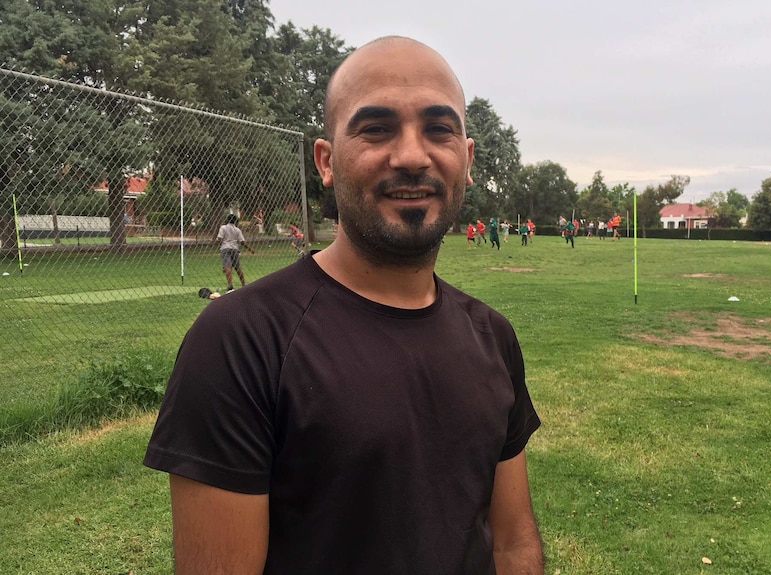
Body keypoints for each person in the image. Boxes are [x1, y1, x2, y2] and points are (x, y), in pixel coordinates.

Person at [144, 36, 543, 575]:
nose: (410, 156)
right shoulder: (242, 341)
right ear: (327, 162)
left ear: (467, 160)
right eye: (376, 128)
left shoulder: (493, 336)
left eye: (439, 128)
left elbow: (513, 544)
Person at [216, 213, 254, 292]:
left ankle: (230, 285)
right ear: (236, 221)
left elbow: (219, 238)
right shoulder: (237, 230)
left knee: (227, 266)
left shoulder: (223, 227)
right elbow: (242, 241)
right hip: (235, 249)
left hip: (225, 248)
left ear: (227, 220)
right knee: (238, 267)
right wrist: (250, 249)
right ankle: (244, 283)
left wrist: (219, 244)